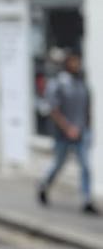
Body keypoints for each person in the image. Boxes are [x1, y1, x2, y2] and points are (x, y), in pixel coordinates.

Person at [37, 50, 98, 215]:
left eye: (78, 61)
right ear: (66, 64)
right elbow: (53, 110)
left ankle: (86, 200)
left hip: (81, 132)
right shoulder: (58, 83)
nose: (76, 65)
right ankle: (44, 185)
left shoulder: (81, 82)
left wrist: (88, 128)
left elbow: (87, 107)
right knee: (59, 164)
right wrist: (68, 128)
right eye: (73, 62)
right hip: (63, 133)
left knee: (85, 166)